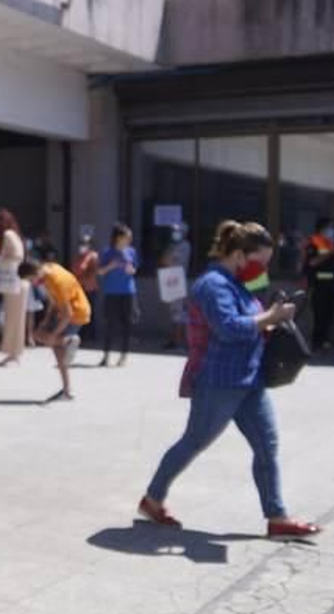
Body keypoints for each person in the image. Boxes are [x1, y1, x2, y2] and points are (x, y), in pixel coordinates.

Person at [137, 221, 321, 541]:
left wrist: (271, 319)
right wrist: (271, 317)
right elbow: (230, 327)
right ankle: (152, 499)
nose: (262, 268)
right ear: (238, 255)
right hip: (219, 379)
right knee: (194, 441)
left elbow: (250, 320)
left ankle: (277, 517)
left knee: (267, 445)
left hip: (250, 378)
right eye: (259, 261)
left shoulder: (238, 283)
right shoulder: (212, 285)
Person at [20, 247, 91, 403]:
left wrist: (54, 335)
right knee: (42, 337)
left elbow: (68, 314)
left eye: (31, 280)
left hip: (77, 313)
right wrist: (46, 320)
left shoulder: (57, 280)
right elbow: (54, 300)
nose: (32, 283)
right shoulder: (48, 270)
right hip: (65, 312)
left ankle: (68, 341)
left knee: (53, 342)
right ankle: (67, 391)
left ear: (35, 273)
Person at [98, 223, 138, 367]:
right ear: (118, 237)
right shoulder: (107, 252)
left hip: (128, 291)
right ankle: (106, 355)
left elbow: (134, 270)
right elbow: (100, 272)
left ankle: (123, 355)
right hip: (111, 292)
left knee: (127, 324)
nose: (129, 240)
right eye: (127, 237)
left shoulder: (132, 252)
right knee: (110, 324)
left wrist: (130, 270)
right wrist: (111, 266)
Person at [0, 208, 28, 366]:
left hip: (13, 281)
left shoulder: (8, 235)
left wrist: (0, 260)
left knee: (11, 319)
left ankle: (13, 353)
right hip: (17, 282)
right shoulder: (14, 234)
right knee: (15, 319)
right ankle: (14, 353)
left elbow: (17, 255)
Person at [302, 218, 334, 352]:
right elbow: (312, 263)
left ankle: (325, 341)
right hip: (319, 285)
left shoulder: (331, 242)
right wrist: (330, 253)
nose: (332, 230)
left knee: (329, 315)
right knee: (320, 315)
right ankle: (317, 342)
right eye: (329, 228)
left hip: (333, 285)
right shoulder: (313, 242)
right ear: (322, 229)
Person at [161, 225, 192, 351]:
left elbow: (168, 261)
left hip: (178, 280)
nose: (175, 233)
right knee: (173, 312)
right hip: (170, 279)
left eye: (178, 231)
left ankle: (180, 342)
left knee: (179, 313)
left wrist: (169, 252)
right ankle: (173, 340)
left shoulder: (184, 246)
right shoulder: (173, 245)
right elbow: (163, 261)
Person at [73, 230, 101, 344]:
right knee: (80, 311)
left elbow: (93, 272)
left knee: (89, 312)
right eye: (81, 243)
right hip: (79, 288)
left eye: (85, 243)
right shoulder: (78, 257)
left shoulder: (93, 256)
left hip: (89, 288)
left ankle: (90, 335)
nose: (82, 246)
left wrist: (84, 278)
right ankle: (81, 334)